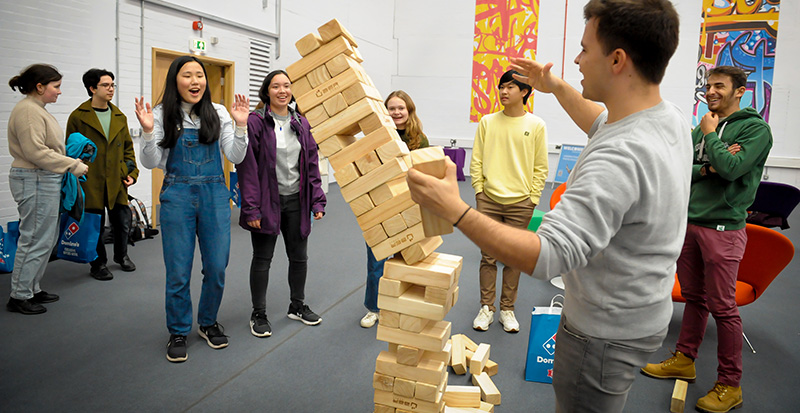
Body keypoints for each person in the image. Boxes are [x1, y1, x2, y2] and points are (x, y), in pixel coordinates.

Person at [407, 0, 690, 411]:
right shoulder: (666, 117)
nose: (575, 59)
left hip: (601, 335)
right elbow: (599, 120)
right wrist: (554, 86)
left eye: (584, 49)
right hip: (640, 314)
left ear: (617, 59)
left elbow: (549, 256)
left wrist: (456, 209)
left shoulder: (620, 157)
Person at [641, 65, 772, 413]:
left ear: (740, 90)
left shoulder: (755, 130)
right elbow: (682, 168)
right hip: (690, 223)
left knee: (723, 308)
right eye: (709, 86)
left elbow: (732, 169)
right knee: (695, 298)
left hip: (724, 230)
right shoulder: (702, 128)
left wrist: (712, 138)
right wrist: (708, 166)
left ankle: (730, 385)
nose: (711, 91)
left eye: (720, 86)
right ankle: (685, 357)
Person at [134, 56, 249, 363]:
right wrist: (147, 132)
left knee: (216, 267)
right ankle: (179, 330)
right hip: (177, 195)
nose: (195, 81)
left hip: (214, 194)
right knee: (178, 270)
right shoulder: (160, 114)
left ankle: (208, 322)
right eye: (188, 75)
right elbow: (149, 162)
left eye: (200, 75)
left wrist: (240, 126)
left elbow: (235, 156)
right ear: (175, 81)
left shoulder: (219, 113)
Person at [237, 70, 326, 338]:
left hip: (297, 200)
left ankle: (297, 306)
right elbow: (247, 168)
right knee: (263, 258)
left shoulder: (301, 122)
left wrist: (317, 199)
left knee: (299, 257)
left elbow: (311, 163)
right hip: (267, 202)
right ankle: (259, 313)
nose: (282, 90)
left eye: (286, 85)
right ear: (267, 92)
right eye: (276, 86)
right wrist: (251, 207)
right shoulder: (255, 122)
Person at [469, 69, 548, 333]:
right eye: (501, 86)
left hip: (521, 202)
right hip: (488, 199)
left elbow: (540, 166)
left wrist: (533, 198)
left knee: (514, 258)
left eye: (510, 87)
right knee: (488, 256)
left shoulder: (536, 125)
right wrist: (479, 191)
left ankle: (507, 309)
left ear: (525, 92)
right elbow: (477, 159)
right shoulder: (487, 122)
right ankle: (486, 308)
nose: (503, 91)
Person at [6, 64, 89, 315]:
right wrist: (73, 165)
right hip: (34, 178)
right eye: (56, 86)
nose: (59, 92)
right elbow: (36, 152)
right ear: (40, 87)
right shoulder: (28, 111)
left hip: (42, 178)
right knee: (34, 238)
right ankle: (19, 295)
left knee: (46, 238)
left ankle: (31, 287)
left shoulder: (36, 110)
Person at [360, 90, 429, 329]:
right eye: (392, 108)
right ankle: (373, 308)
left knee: (406, 259)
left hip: (408, 206)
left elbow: (424, 175)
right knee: (376, 261)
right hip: (378, 207)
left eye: (401, 108)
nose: (397, 112)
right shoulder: (376, 136)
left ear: (409, 111)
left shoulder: (419, 140)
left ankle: (400, 306)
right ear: (385, 111)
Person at [66, 68, 139, 281]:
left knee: (122, 221)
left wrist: (131, 173)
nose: (111, 89)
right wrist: (77, 174)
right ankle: (98, 264)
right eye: (105, 85)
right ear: (92, 88)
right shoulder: (78, 117)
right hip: (91, 179)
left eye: (112, 85)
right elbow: (71, 149)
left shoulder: (119, 116)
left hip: (117, 179)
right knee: (94, 224)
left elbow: (128, 148)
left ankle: (122, 256)